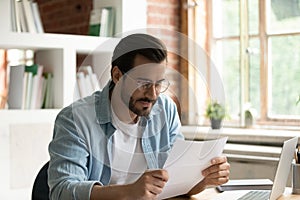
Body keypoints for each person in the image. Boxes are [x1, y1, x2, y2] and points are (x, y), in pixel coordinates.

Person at [48, 33, 230, 200]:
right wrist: (130, 191)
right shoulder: (74, 119)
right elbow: (62, 191)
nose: (152, 94)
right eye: (143, 83)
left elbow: (175, 184)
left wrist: (203, 179)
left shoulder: (165, 110)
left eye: (159, 84)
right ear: (117, 75)